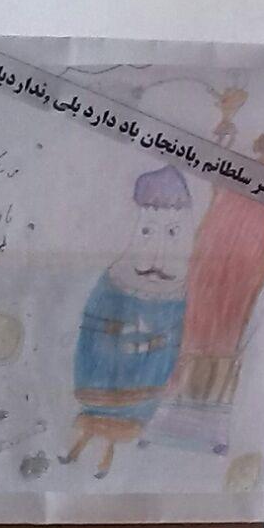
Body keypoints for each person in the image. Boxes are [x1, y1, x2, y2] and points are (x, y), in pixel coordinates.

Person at [63, 165, 193, 478]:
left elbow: (173, 335)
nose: (157, 245)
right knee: (101, 400)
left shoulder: (177, 288)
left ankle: (106, 451)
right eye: (147, 231)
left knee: (129, 411)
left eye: (171, 232)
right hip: (101, 372)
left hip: (145, 379)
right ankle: (83, 444)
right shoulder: (116, 279)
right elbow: (93, 326)